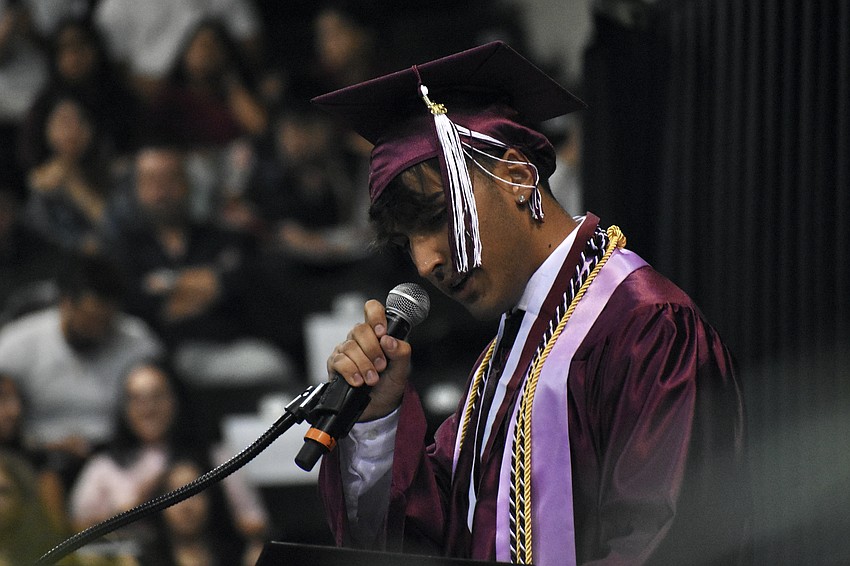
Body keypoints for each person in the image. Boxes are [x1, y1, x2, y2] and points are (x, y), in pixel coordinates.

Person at [312, 42, 751, 565]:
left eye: (437, 218)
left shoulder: (646, 329)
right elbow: (443, 537)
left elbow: (667, 543)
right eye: (407, 242)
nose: (425, 261)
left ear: (518, 178)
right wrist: (379, 418)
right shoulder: (504, 360)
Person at [68, 360, 270, 561]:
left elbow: (255, 523)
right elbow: (73, 533)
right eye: (136, 398)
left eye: (157, 396)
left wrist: (207, 513)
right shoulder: (104, 466)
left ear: (177, 398)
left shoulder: (214, 458)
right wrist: (134, 510)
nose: (148, 409)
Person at [0, 251, 164, 492]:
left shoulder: (137, 343)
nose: (98, 331)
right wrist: (32, 447)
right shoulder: (19, 343)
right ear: (66, 304)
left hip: (118, 458)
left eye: (107, 322)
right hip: (37, 457)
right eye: (90, 320)